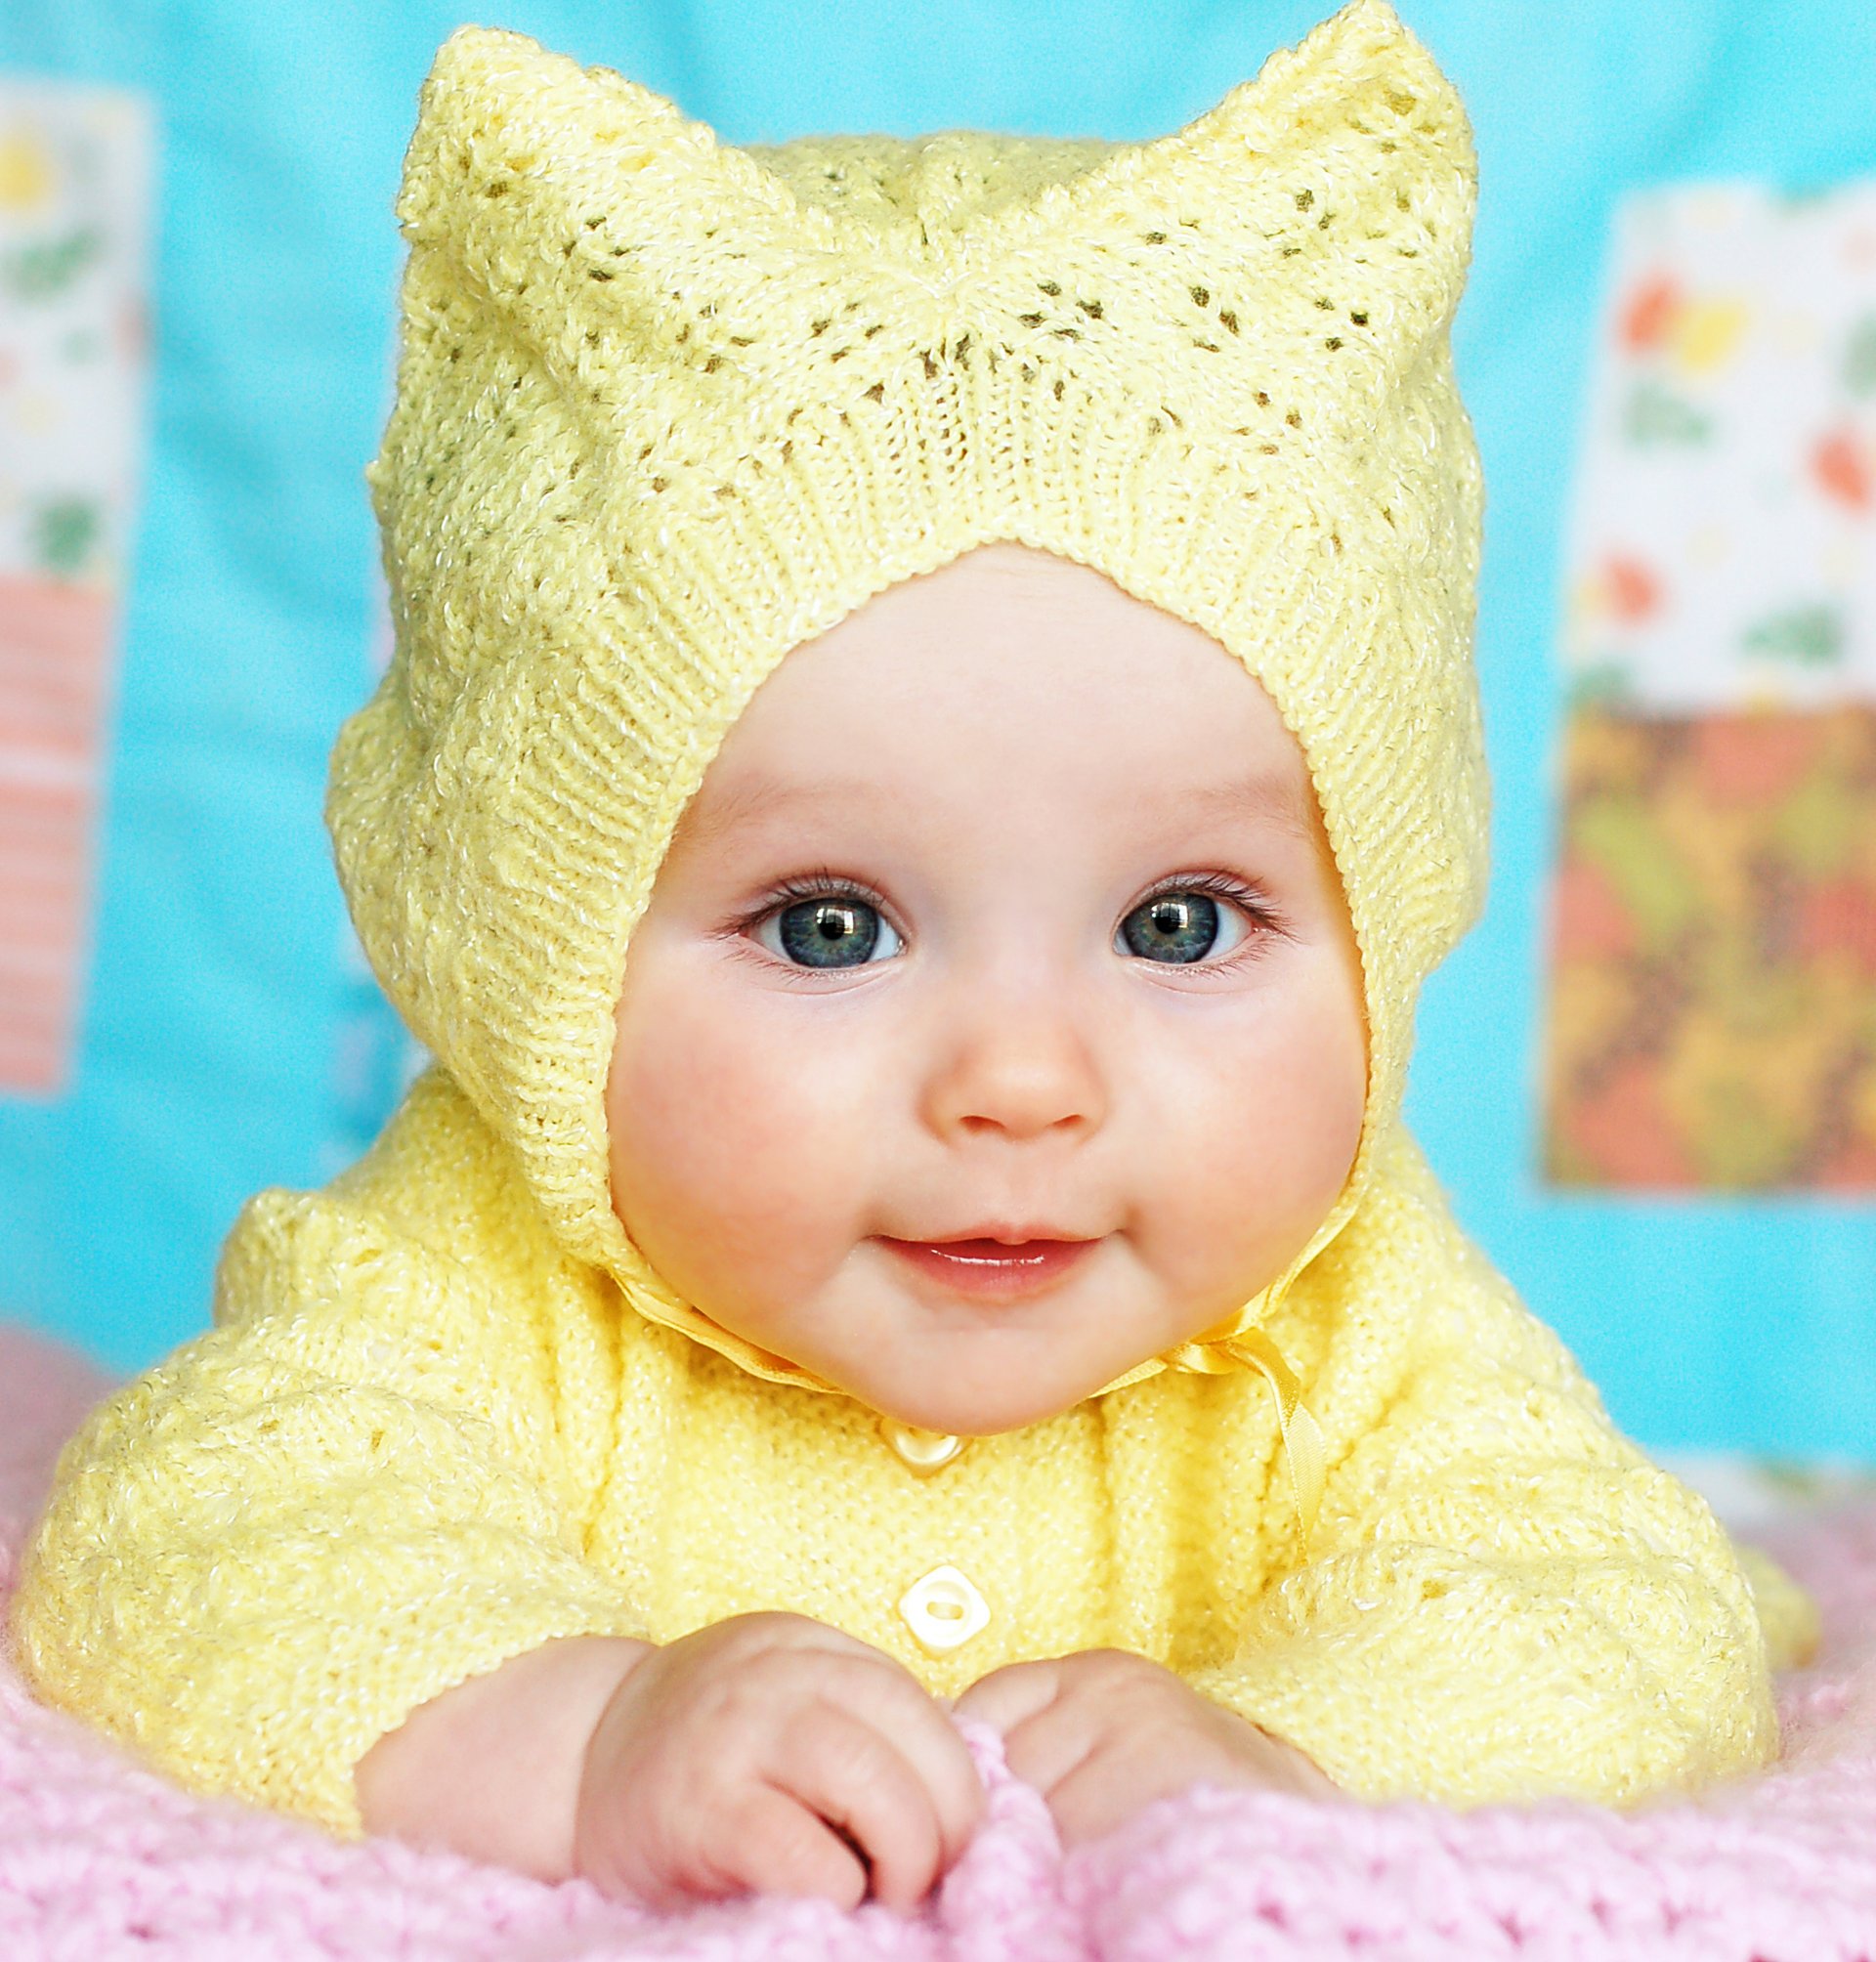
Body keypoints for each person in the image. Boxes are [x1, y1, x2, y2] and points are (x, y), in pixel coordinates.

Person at [10, 0, 1819, 1917]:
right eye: (830, 927)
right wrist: (579, 1728)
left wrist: (1304, 1751)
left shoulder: (1349, 1317)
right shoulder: (464, 1269)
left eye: (1179, 923)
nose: (1021, 1082)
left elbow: (1616, 1603)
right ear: (540, 964)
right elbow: (204, 1528)